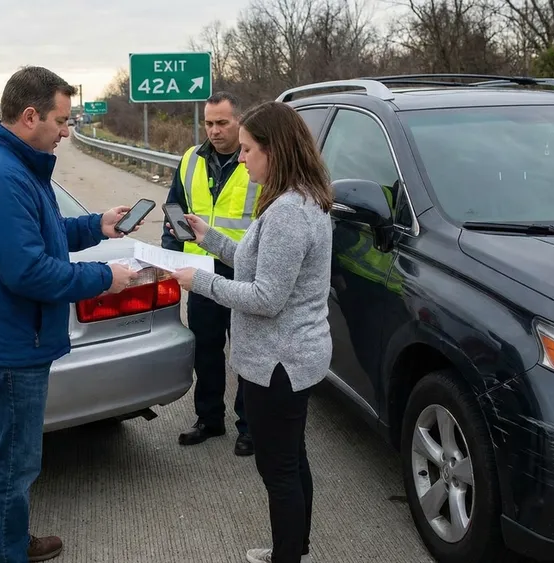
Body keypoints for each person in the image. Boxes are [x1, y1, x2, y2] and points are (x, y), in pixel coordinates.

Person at [0, 66, 139, 563]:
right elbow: (27, 271)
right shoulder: (0, 176)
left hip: (15, 340)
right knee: (11, 465)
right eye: (61, 120)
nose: (66, 130)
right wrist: (105, 278)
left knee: (13, 460)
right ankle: (5, 554)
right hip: (11, 347)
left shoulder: (16, 166)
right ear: (30, 115)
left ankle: (12, 541)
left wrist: (97, 226)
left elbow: (46, 233)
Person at [170, 100, 333, 563]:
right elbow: (257, 260)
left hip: (278, 362)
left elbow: (266, 297)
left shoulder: (286, 212)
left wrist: (199, 280)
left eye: (247, 150)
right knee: (292, 458)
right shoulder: (302, 199)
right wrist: (209, 238)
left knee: (278, 467)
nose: (241, 159)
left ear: (274, 150)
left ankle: (286, 556)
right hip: (294, 357)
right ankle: (294, 548)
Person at [161, 91, 262, 456]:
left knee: (246, 352)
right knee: (206, 348)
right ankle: (209, 419)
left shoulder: (256, 161)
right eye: (209, 123)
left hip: (244, 271)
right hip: (201, 271)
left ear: (239, 122)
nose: (215, 131)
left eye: (223, 123)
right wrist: (169, 256)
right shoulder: (190, 159)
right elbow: (174, 208)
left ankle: (249, 427)